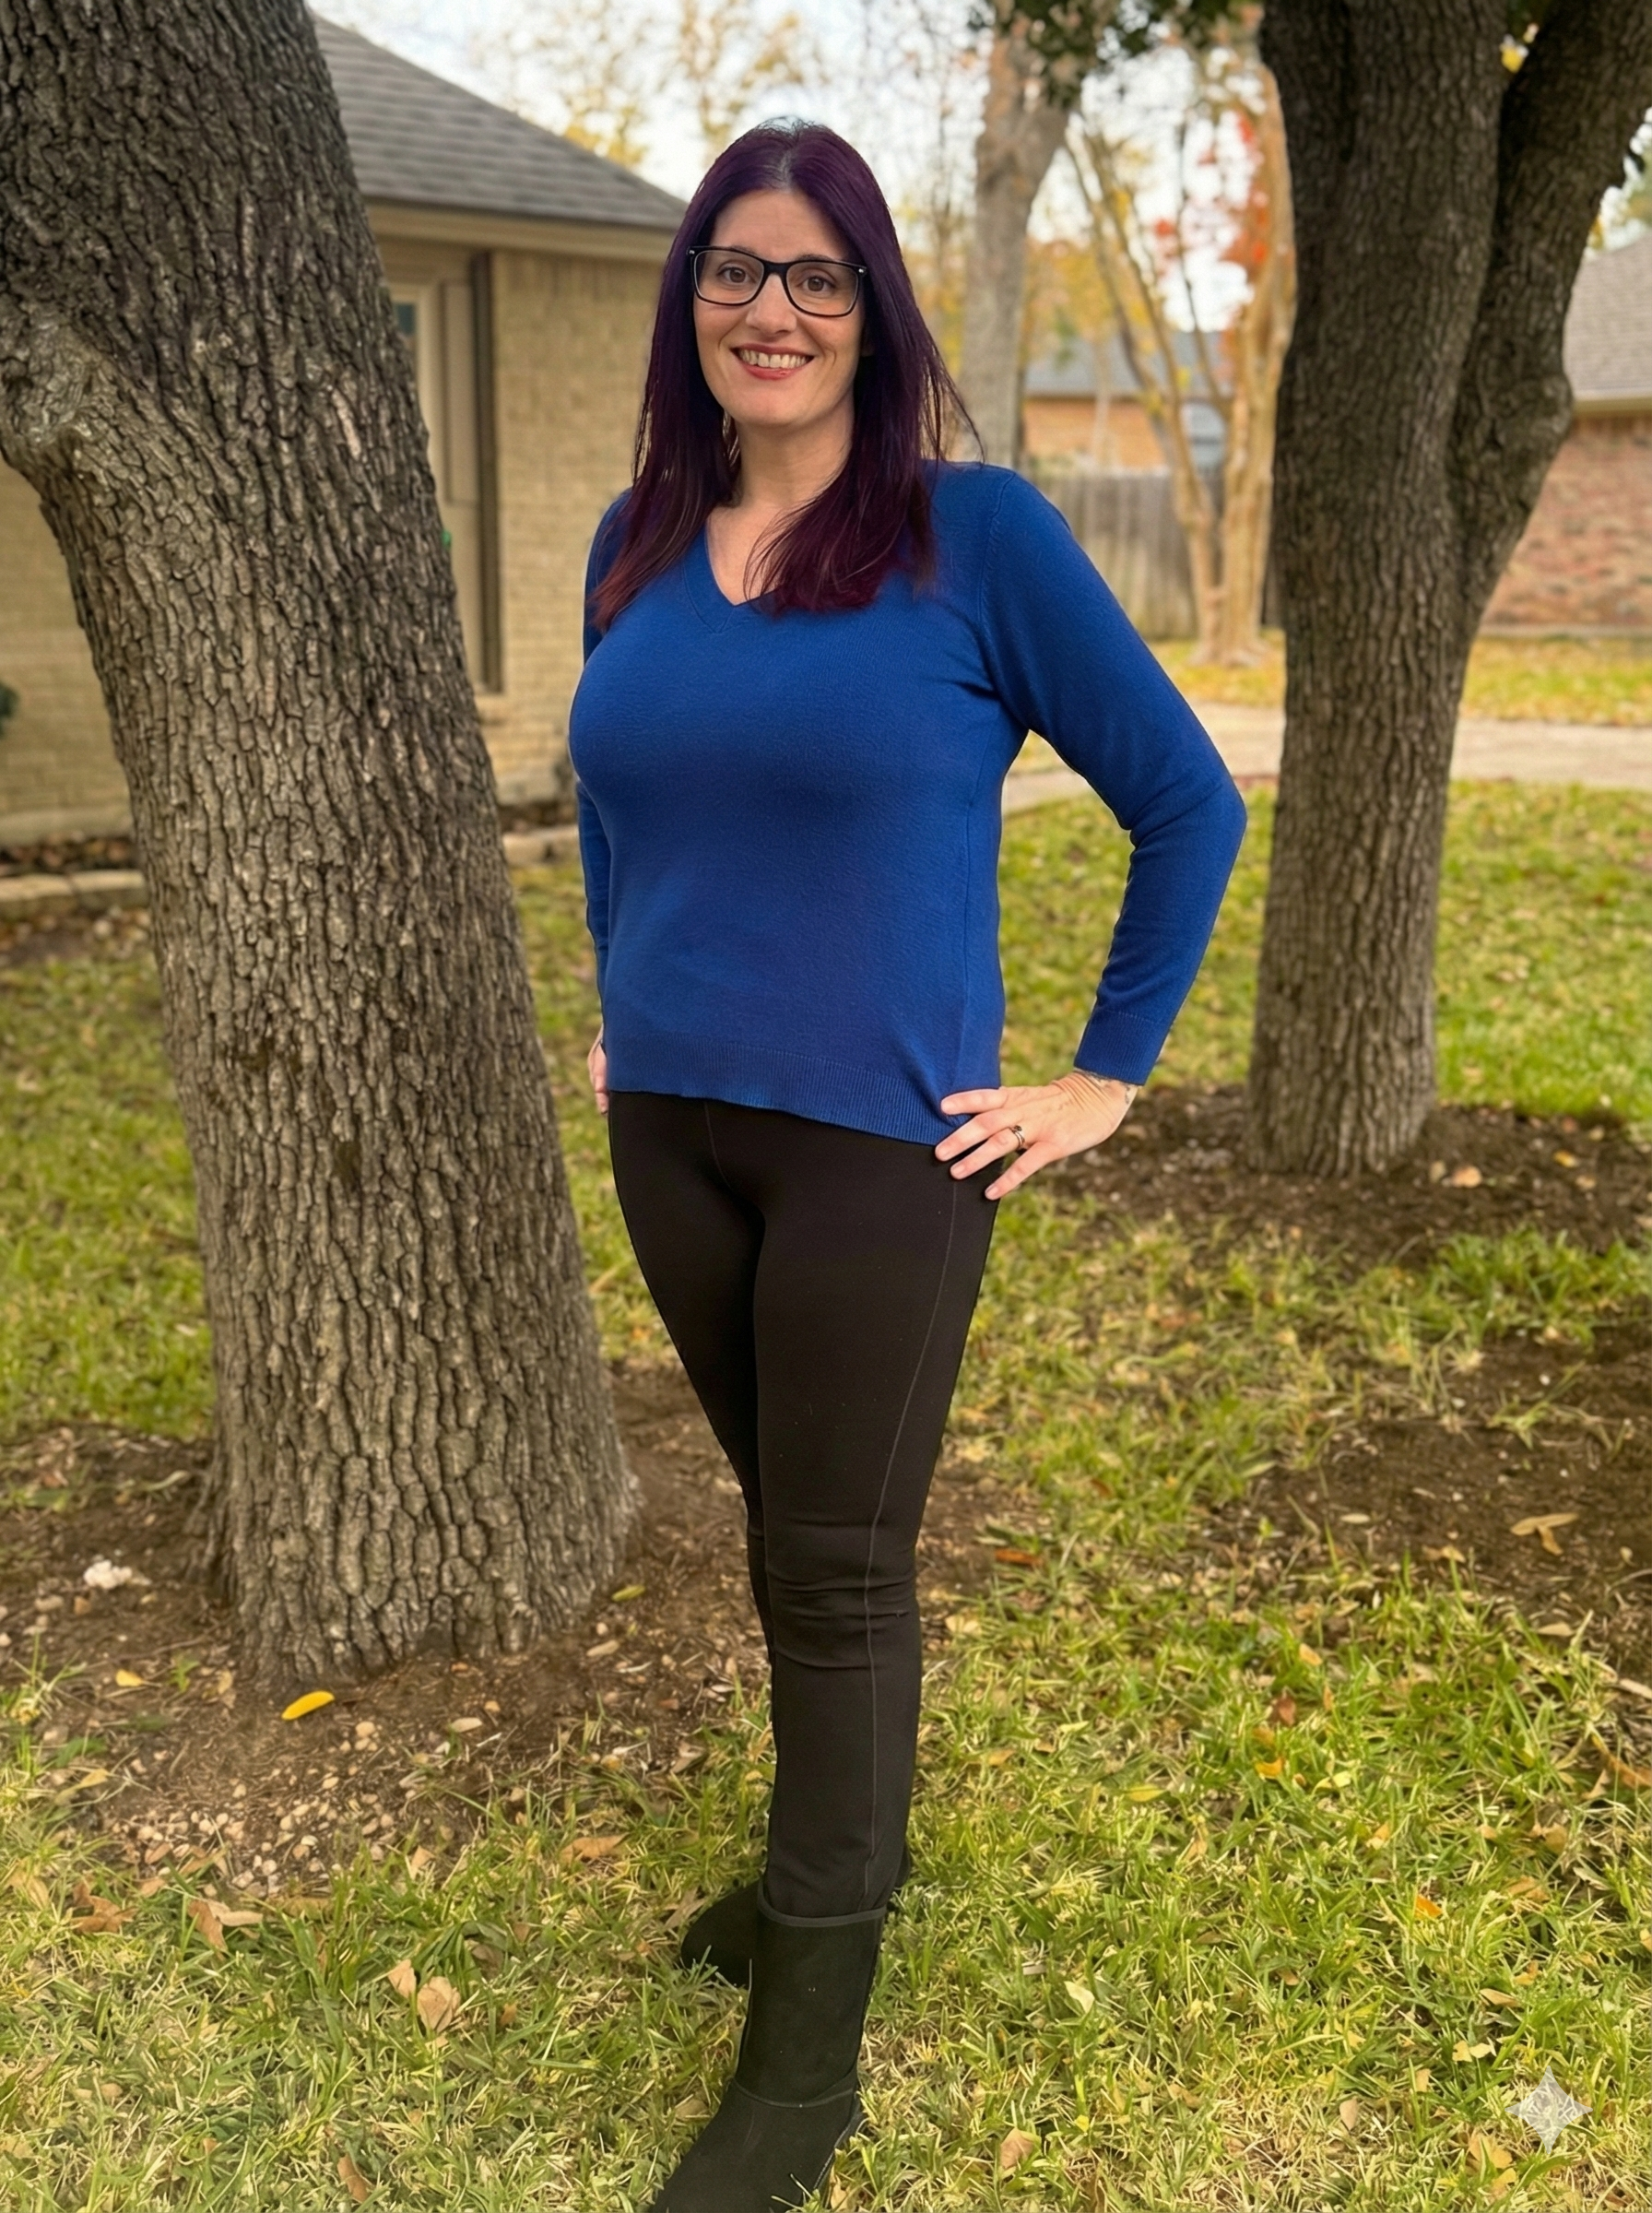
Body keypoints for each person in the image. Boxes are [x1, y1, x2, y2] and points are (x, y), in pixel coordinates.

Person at [571, 117, 1246, 2213]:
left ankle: (802, 2076)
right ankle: (808, 1886)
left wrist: (1098, 1081)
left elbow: (1184, 801)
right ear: (690, 305)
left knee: (835, 1577)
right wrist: (622, 1002)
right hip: (670, 1137)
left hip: (883, 1152)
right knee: (788, 1535)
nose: (770, 310)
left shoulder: (979, 539)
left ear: (870, 311)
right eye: (735, 272)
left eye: (816, 276)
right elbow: (615, 797)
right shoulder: (634, 536)